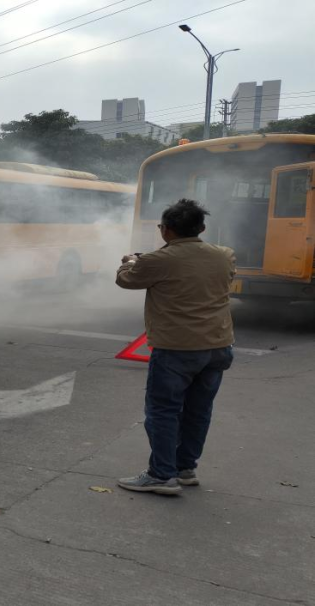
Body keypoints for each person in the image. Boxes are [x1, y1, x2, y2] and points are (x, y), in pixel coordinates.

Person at [115, 199, 236, 495]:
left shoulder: (157, 260)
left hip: (176, 348)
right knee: (199, 410)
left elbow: (126, 281)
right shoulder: (224, 255)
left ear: (165, 230)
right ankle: (185, 468)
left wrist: (129, 262)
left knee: (163, 410)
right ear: (202, 228)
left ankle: (161, 475)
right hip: (218, 346)